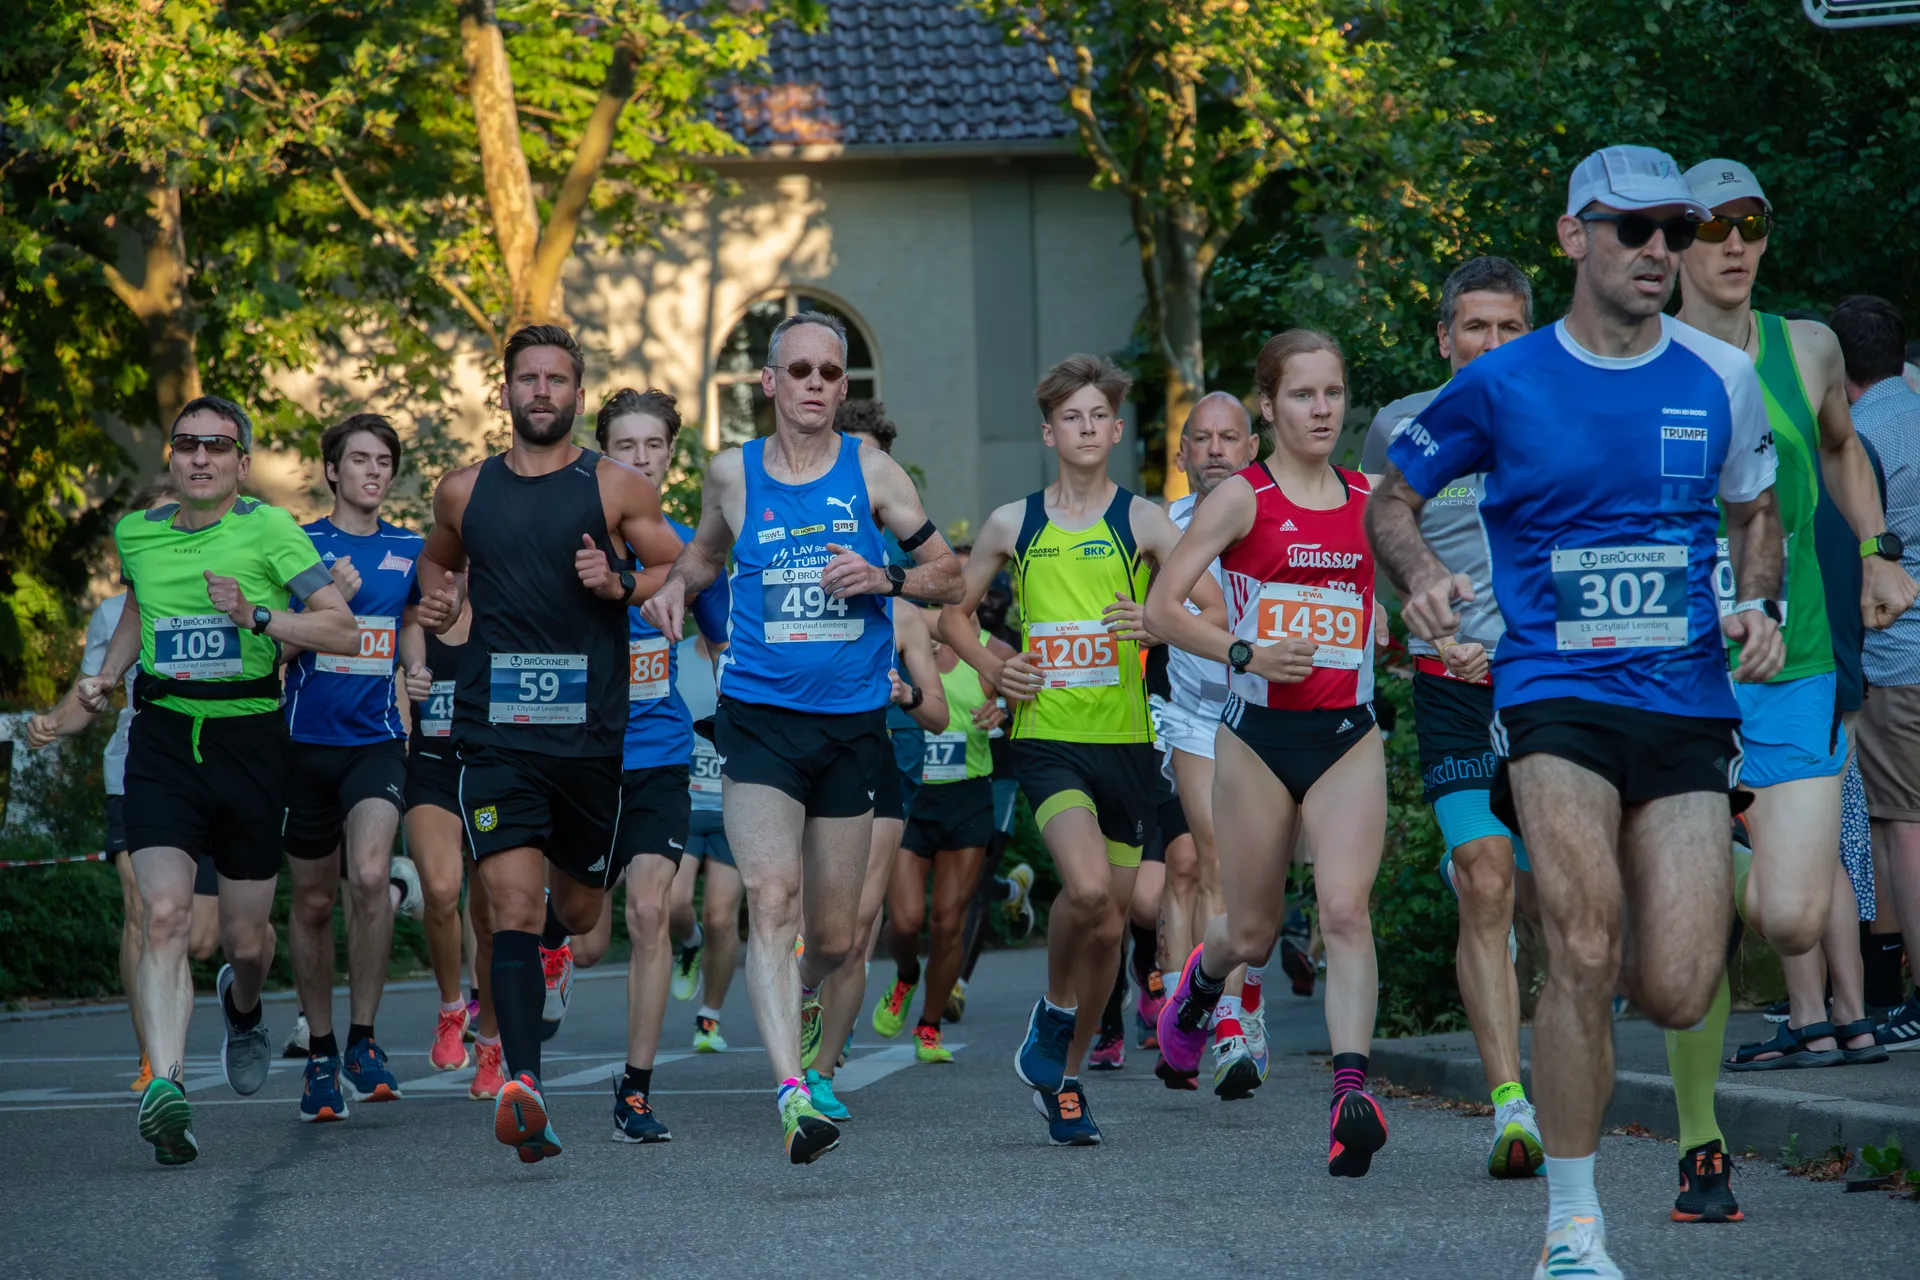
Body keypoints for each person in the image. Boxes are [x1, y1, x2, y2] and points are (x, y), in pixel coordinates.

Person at [1368, 146, 1784, 1278]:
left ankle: (1607, 1059)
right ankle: (1573, 1222)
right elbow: (1393, 496)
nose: (1662, 250)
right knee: (1583, 940)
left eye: (1677, 234)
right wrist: (1419, 577)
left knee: (1683, 981)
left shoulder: (1718, 376)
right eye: (1636, 229)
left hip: (1688, 700)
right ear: (1575, 237)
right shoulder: (1502, 382)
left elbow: (1756, 510)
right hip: (1555, 692)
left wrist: (1761, 601)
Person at [640, 312, 962, 1164]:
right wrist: (675, 591)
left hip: (852, 730)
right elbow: (705, 558)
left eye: (833, 374)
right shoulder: (731, 475)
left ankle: (808, 992)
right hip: (759, 721)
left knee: (834, 937)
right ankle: (793, 1092)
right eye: (804, 371)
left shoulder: (874, 472)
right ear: (769, 382)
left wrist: (885, 575)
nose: (819, 386)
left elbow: (950, 574)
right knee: (770, 900)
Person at [1663, 165, 1916, 1223]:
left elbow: (1847, 451)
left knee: (1795, 912)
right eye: (1711, 227)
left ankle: (1704, 858)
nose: (1732, 243)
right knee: (1685, 945)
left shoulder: (1808, 345)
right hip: (1673, 670)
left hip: (1796, 656)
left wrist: (1879, 549)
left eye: (1750, 225)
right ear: (1672, 241)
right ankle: (1700, 1142)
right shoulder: (1642, 356)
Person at [416, 324, 684, 1164]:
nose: (541, 391)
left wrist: (622, 583)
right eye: (526, 378)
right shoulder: (463, 491)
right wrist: (440, 608)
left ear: (576, 393)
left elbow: (676, 565)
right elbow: (436, 567)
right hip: (494, 731)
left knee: (577, 911)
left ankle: (561, 958)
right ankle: (524, 1085)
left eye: (556, 379)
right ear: (504, 392)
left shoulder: (614, 487)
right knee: (510, 908)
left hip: (590, 742)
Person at [940, 353, 1221, 1146]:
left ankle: (1062, 1080)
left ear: (1118, 429)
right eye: (1073, 417)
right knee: (1091, 892)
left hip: (1129, 743)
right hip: (1049, 739)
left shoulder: (1143, 521)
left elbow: (1202, 604)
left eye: (1099, 416)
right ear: (1049, 431)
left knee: (1110, 925)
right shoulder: (1011, 522)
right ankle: (1057, 1015)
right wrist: (998, 663)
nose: (1087, 428)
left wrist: (1153, 618)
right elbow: (952, 617)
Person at [78, 395, 359, 1164]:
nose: (200, 456)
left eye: (217, 446)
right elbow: (140, 610)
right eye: (186, 444)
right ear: (171, 457)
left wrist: (259, 618)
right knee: (163, 914)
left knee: (245, 939)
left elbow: (340, 625)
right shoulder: (136, 533)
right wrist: (104, 676)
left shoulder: (270, 529)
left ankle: (243, 1009)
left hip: (249, 742)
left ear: (241, 462)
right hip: (164, 738)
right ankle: (167, 1090)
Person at [1150, 330, 1392, 1176]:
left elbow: (1380, 597)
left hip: (1347, 737)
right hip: (1254, 739)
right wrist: (1244, 653)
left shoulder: (1371, 497)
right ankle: (1198, 988)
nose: (1321, 409)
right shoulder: (1241, 500)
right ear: (1269, 405)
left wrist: (1408, 618)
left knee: (1344, 911)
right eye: (1302, 395)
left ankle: (1350, 1094)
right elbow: (1162, 608)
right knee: (1250, 934)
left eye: (1332, 393)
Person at [1359, 255, 1545, 1178]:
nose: (1493, 345)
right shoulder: (1403, 426)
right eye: (1477, 327)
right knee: (1482, 878)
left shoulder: (1562, 412)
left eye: (1511, 328)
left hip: (1550, 685)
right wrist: (1414, 612)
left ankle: (1560, 1065)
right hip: (1451, 683)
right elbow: (1377, 547)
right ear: (1445, 338)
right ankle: (1510, 1101)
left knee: (1561, 899)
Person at [593, 388, 731, 1143]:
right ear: (602, 453)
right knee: (584, 932)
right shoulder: (570, 538)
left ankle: (635, 1092)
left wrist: (739, 725)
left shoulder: (687, 548)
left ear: (671, 455)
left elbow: (722, 644)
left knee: (648, 911)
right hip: (576, 760)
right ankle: (554, 940)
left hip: (657, 751)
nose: (641, 459)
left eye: (654, 446)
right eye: (626, 446)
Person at [276, 414, 423, 1122]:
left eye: (383, 461)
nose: (371, 470)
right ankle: (323, 1053)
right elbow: (270, 653)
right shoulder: (297, 545)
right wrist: (319, 599)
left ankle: (364, 1039)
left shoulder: (409, 548)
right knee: (311, 902)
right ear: (332, 470)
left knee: (368, 875)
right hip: (304, 745)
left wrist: (420, 663)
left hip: (376, 741)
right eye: (358, 459)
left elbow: (429, 619)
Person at [805, 401, 950, 1120]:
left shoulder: (902, 602)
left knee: (858, 926)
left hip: (878, 761)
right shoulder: (792, 554)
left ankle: (823, 1071)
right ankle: (804, 1009)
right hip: (800, 759)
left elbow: (937, 712)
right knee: (809, 925)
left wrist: (901, 690)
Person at [1154, 391, 1264, 1097]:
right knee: (1206, 855)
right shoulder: (1164, 528)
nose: (1216, 449)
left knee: (1256, 878)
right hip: (1192, 714)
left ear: (1251, 448)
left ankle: (1237, 1003)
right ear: (1183, 453)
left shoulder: (1273, 513)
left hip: (1268, 713)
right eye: (1202, 439)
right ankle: (1221, 1025)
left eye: (1229, 437)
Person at [1830, 294, 1920, 1051]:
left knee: (1899, 828)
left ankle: (1910, 997)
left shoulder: (1858, 439)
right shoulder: (1916, 410)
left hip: (1899, 660)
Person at [878, 605, 1006, 1063]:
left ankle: (929, 1025)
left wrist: (1004, 709)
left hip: (967, 800)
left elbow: (1030, 686)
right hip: (914, 800)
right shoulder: (902, 642)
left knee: (948, 923)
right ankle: (906, 975)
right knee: (907, 920)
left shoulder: (988, 652)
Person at [399, 584, 505, 1097]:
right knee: (440, 892)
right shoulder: (415, 618)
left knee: (489, 920)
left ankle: (491, 1044)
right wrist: (409, 685)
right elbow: (399, 675)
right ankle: (449, 1009)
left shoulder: (501, 611)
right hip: (432, 771)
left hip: (491, 775)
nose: (451, 577)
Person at [664, 631, 740, 1054]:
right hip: (687, 802)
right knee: (673, 903)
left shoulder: (749, 651)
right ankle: (690, 945)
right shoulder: (675, 654)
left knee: (721, 918)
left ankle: (709, 1017)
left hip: (735, 808)